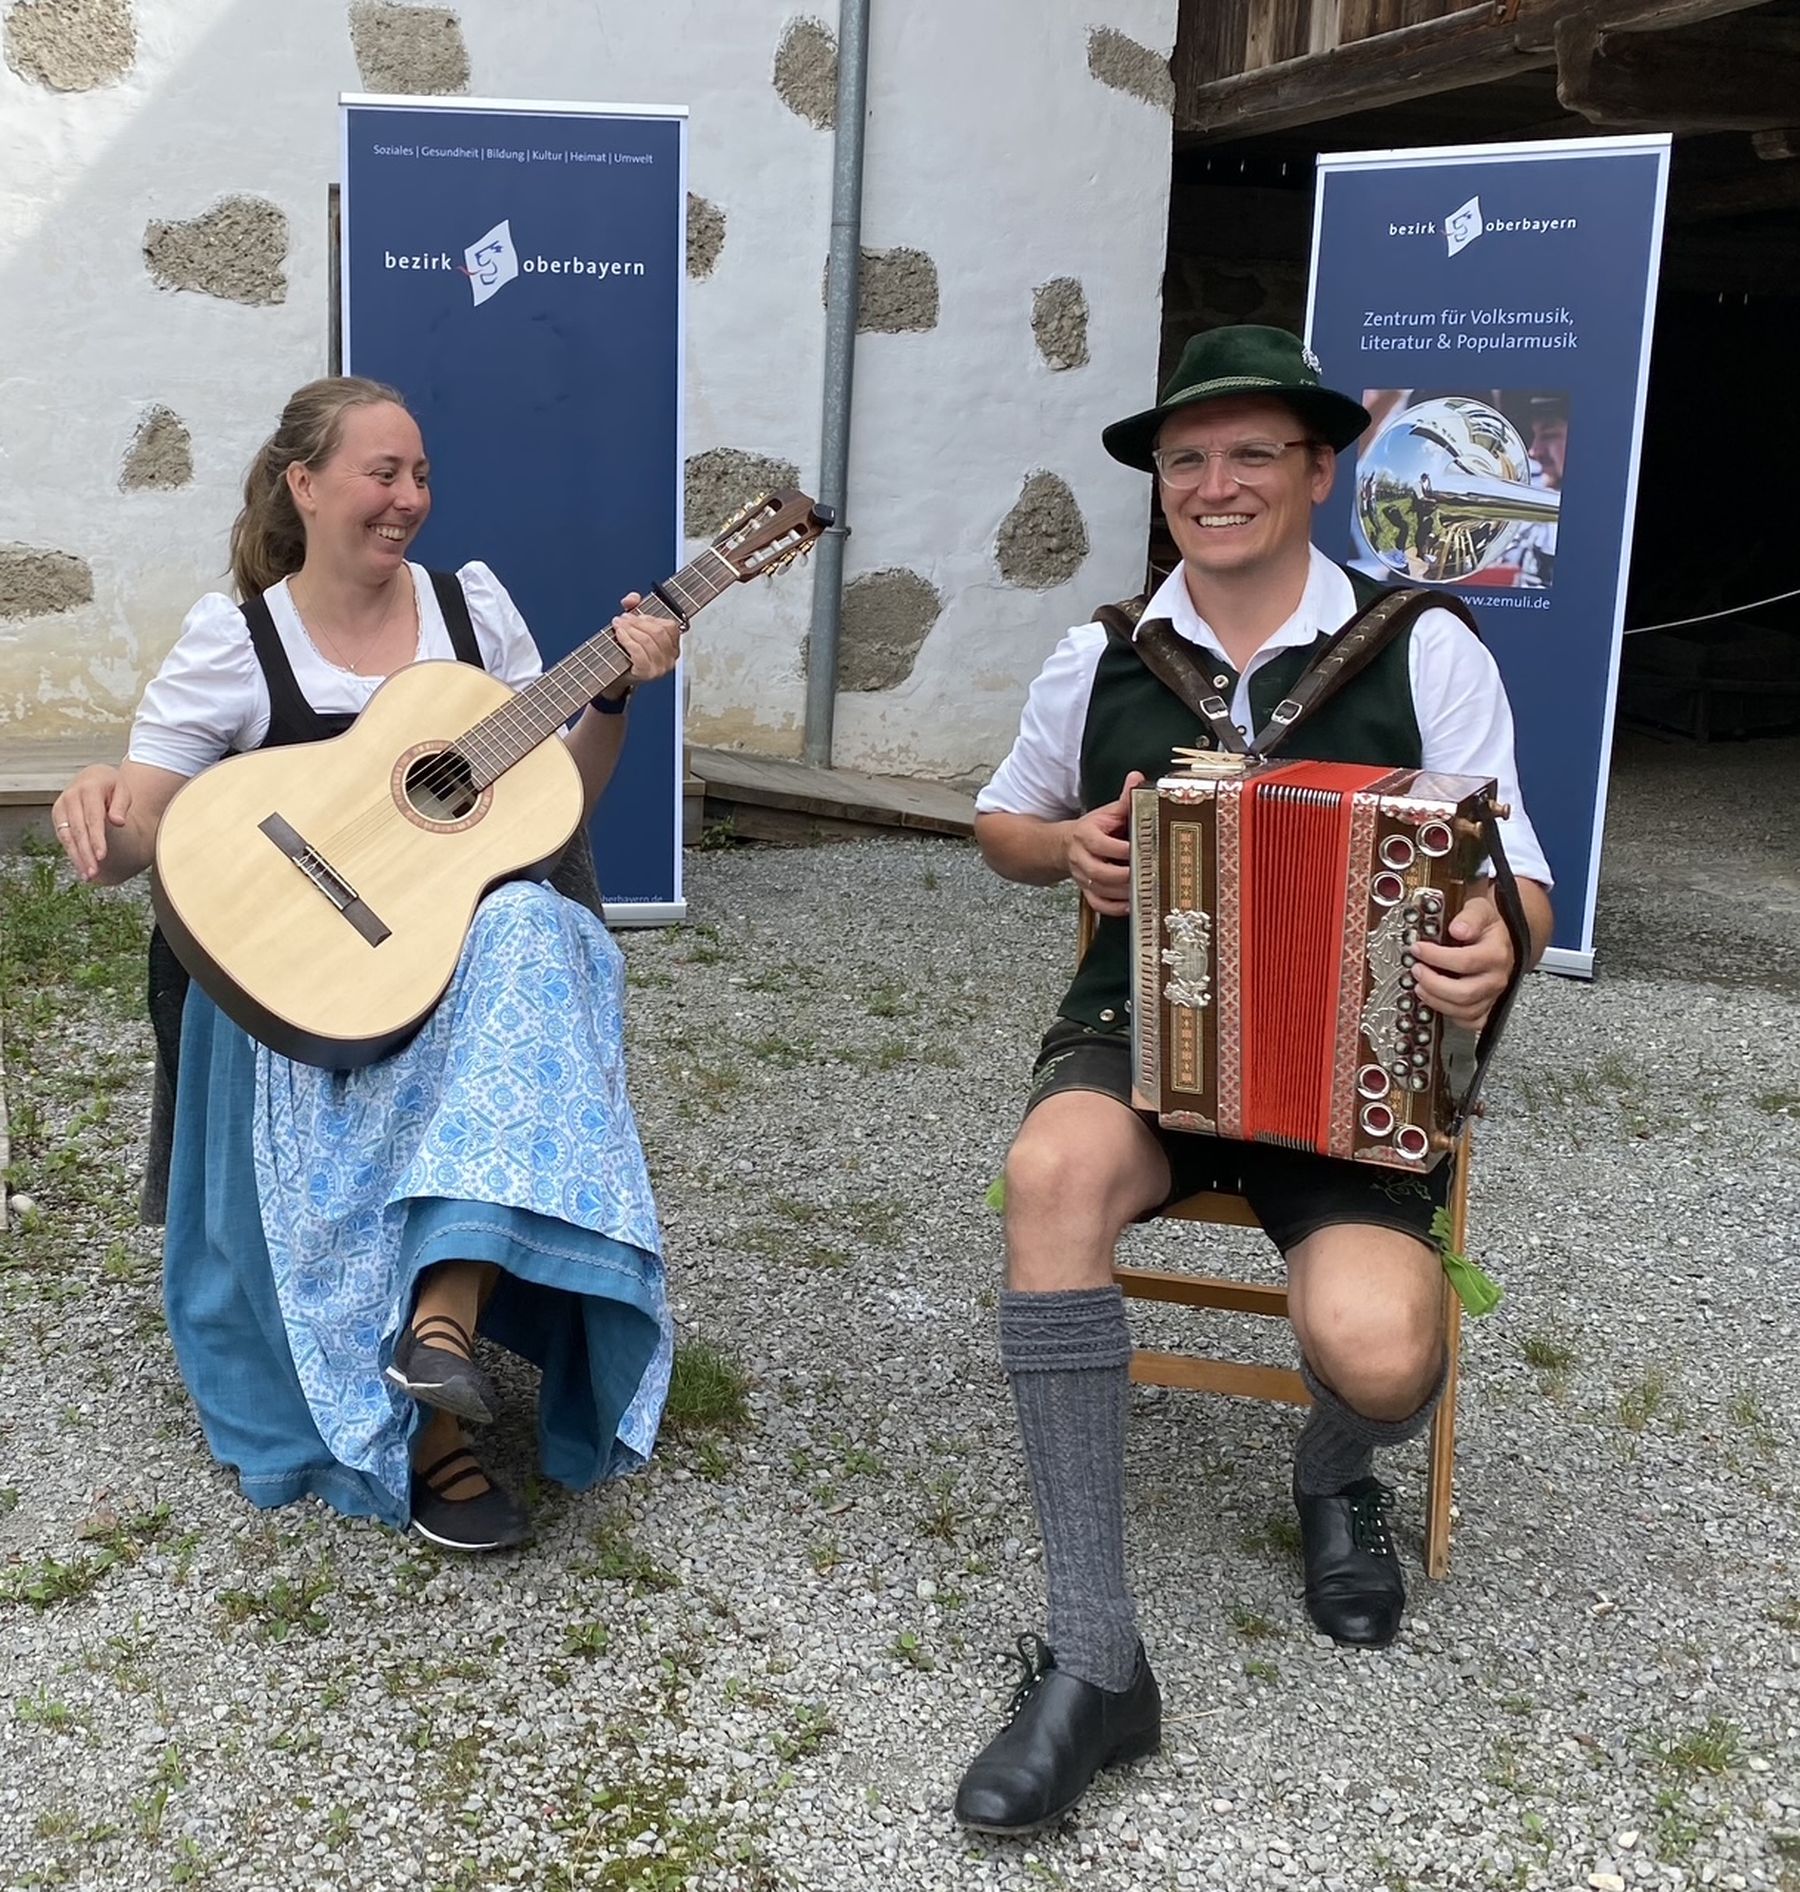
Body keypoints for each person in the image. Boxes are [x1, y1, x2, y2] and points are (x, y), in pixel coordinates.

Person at [956, 326, 1555, 1834]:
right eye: (1186, 460)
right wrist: (1065, 846)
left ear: (1317, 469)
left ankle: (1335, 1471)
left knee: (1382, 1355)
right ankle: (1095, 1660)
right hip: (1145, 1037)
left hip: (1351, 1068)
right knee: (1049, 1174)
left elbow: (1525, 882)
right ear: (1161, 483)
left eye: (1248, 454)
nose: (1213, 485)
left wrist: (1498, 940)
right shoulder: (1103, 653)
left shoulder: (1423, 647)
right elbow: (1002, 824)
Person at [52, 376, 683, 1554]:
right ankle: (423, 1418)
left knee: (539, 929)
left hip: (454, 963)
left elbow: (551, 804)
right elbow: (146, 828)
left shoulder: (471, 616)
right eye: (382, 473)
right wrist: (100, 799)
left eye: (422, 475)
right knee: (520, 960)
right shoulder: (238, 640)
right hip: (305, 986)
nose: (409, 499)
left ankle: (438, 1322)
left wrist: (609, 698)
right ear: (304, 484)